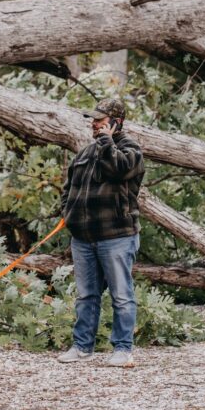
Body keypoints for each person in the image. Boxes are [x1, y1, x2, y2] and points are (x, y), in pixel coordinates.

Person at [56, 98, 145, 367]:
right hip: (83, 238)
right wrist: (67, 213)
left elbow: (118, 170)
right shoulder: (84, 153)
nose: (93, 124)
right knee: (86, 294)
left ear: (117, 122)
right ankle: (82, 346)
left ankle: (122, 349)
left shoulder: (131, 150)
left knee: (121, 294)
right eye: (93, 120)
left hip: (117, 236)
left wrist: (107, 142)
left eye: (100, 119)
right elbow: (68, 188)